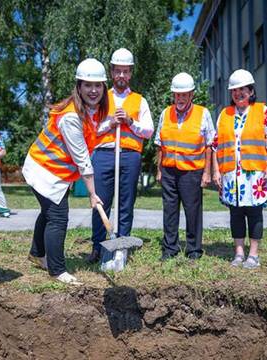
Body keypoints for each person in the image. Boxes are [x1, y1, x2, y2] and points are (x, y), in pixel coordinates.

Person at [22, 58, 107, 285]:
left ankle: (37, 253)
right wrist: (92, 193)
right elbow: (82, 160)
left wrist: (112, 124)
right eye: (88, 85)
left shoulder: (91, 111)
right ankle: (57, 270)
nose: (93, 90)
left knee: (48, 212)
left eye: (98, 85)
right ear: (79, 86)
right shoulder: (71, 117)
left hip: (53, 172)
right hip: (44, 170)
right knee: (58, 217)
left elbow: (94, 130)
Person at [86, 48, 154, 263]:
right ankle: (98, 247)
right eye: (118, 71)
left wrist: (130, 122)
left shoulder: (139, 101)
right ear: (112, 72)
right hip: (104, 154)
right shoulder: (100, 98)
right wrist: (111, 123)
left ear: (131, 73)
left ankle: (121, 247)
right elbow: (92, 129)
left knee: (126, 202)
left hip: (130, 155)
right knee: (100, 202)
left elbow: (149, 131)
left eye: (126, 71)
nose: (122, 76)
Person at [212, 69, 267, 270]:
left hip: (256, 174)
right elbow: (216, 145)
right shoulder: (225, 114)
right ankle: (239, 253)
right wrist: (216, 171)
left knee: (254, 213)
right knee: (236, 213)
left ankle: (254, 255)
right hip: (231, 174)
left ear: (251, 91)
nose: (238, 93)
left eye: (242, 89)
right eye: (234, 90)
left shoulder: (263, 111)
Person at [154, 73, 215, 261]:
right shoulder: (166, 113)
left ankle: (194, 250)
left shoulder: (203, 113)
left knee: (192, 211)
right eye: (177, 94)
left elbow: (209, 144)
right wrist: (159, 170)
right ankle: (170, 248)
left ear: (191, 95)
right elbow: (159, 143)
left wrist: (207, 172)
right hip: (169, 171)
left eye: (184, 94)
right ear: (173, 95)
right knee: (169, 210)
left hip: (192, 171)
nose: (180, 98)